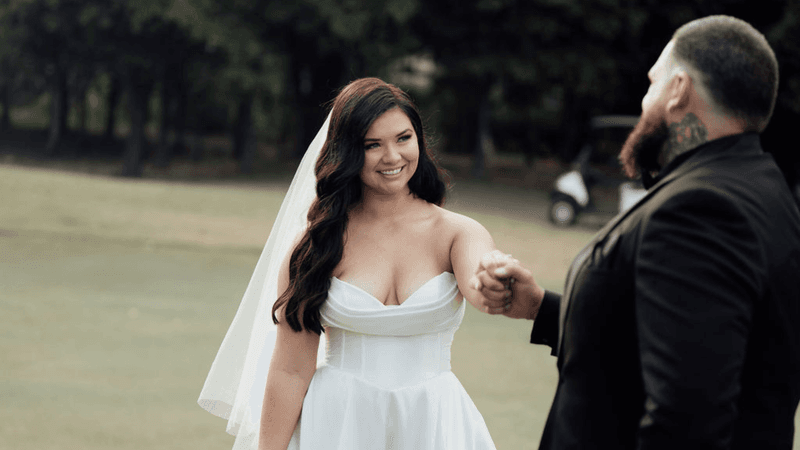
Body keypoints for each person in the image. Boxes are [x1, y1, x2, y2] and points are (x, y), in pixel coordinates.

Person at [472, 15, 800, 449]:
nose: (646, 102)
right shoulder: (763, 188)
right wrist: (543, 309)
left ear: (679, 89)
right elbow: (668, 344)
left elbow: (686, 420)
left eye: (652, 83)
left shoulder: (700, 210)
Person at [198, 77, 499, 450]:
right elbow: (291, 369)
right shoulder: (316, 246)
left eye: (403, 138)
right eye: (372, 145)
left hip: (434, 421)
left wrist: (498, 281)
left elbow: (482, 283)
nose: (392, 157)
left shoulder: (460, 233)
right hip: (336, 424)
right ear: (347, 152)